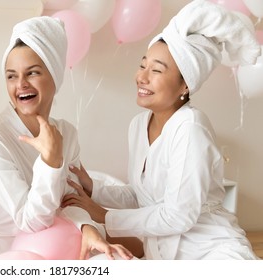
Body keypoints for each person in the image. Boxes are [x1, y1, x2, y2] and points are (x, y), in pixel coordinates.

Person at [62, 0, 261, 260]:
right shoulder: (138, 125)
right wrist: (95, 188)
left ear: (184, 86)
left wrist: (105, 216)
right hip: (164, 254)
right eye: (143, 65)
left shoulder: (191, 128)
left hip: (211, 252)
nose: (142, 77)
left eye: (156, 70)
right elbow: (142, 195)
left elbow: (178, 215)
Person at [0, 16, 134, 260]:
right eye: (11, 76)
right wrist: (50, 161)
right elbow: (29, 221)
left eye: (32, 73)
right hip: (4, 254)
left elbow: (71, 199)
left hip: (59, 242)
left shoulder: (66, 132)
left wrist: (86, 228)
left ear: (55, 76)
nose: (21, 85)